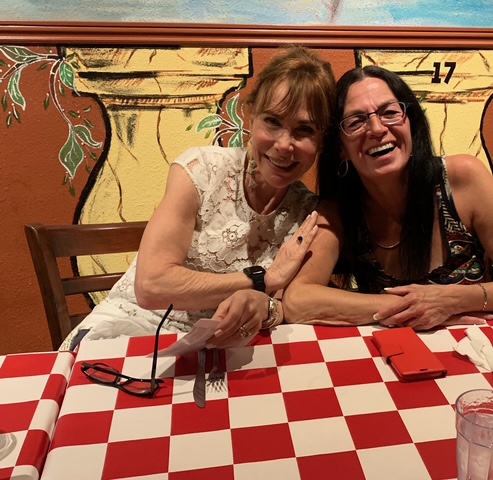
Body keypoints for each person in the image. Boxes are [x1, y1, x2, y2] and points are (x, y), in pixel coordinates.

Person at [60, 46, 336, 350]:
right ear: (251, 117)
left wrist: (265, 305)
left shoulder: (308, 214)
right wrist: (263, 280)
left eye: (304, 130)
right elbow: (151, 287)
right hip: (134, 327)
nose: (284, 144)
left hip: (220, 346)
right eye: (272, 121)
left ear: (322, 141)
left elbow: (286, 306)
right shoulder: (201, 170)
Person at [283, 66, 493, 330]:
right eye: (356, 122)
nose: (377, 128)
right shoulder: (340, 209)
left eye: (390, 112)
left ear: (410, 122)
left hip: (482, 343)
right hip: (395, 349)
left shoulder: (462, 177)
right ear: (341, 148)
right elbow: (298, 301)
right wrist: (416, 307)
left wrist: (452, 301)